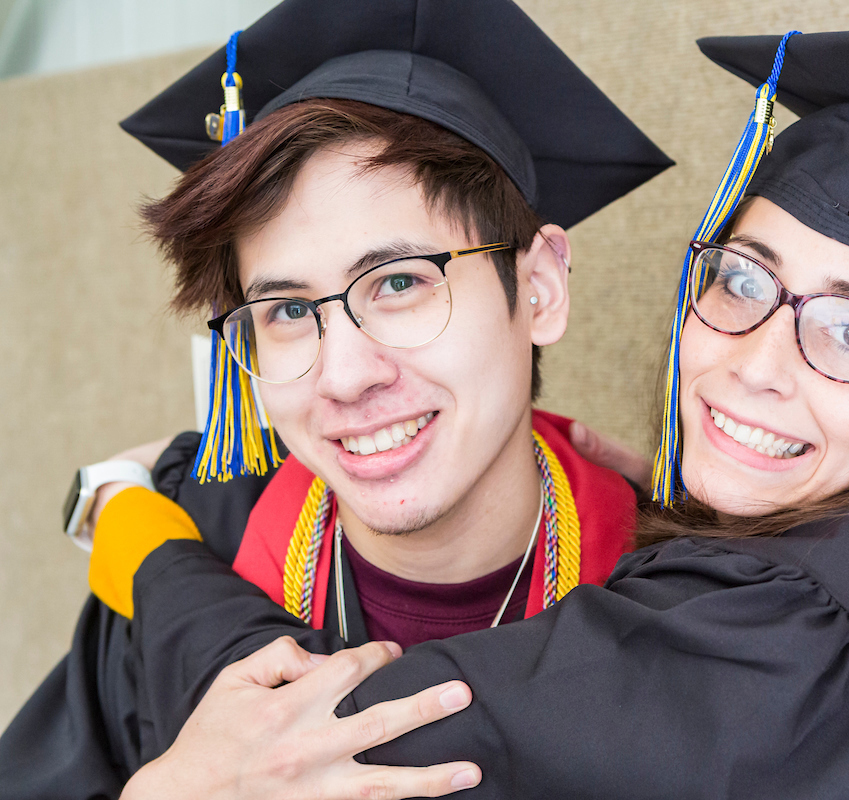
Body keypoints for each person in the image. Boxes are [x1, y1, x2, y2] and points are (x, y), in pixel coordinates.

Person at [86, 25, 849, 799]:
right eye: (743, 284)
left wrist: (131, 531)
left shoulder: (765, 628)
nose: (758, 366)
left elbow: (347, 746)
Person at [0, 1, 672, 796]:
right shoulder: (199, 548)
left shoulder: (675, 599)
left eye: (398, 283)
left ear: (540, 288)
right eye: (287, 311)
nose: (345, 375)